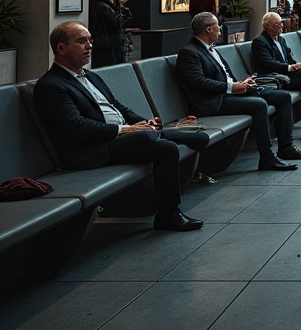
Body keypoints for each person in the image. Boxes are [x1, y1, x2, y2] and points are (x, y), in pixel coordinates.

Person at [33, 21, 208, 231]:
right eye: (81, 41)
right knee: (159, 144)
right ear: (61, 49)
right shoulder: (51, 85)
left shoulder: (91, 76)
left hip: (122, 138)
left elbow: (117, 106)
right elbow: (76, 127)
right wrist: (124, 130)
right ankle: (168, 213)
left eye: (90, 40)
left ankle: (167, 208)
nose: (89, 46)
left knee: (192, 139)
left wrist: (142, 122)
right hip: (92, 149)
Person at [176, 12, 301, 171]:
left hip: (228, 94)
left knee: (282, 97)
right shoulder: (190, 53)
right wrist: (232, 87)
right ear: (208, 29)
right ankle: (267, 157)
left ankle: (286, 147)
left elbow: (225, 75)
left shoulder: (211, 49)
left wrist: (242, 83)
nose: (220, 29)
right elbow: (199, 82)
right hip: (213, 102)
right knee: (259, 105)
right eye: (217, 26)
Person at [90, 0, 131, 67]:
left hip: (108, 45)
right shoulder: (103, 7)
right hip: (109, 47)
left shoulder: (101, 5)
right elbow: (117, 22)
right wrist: (120, 6)